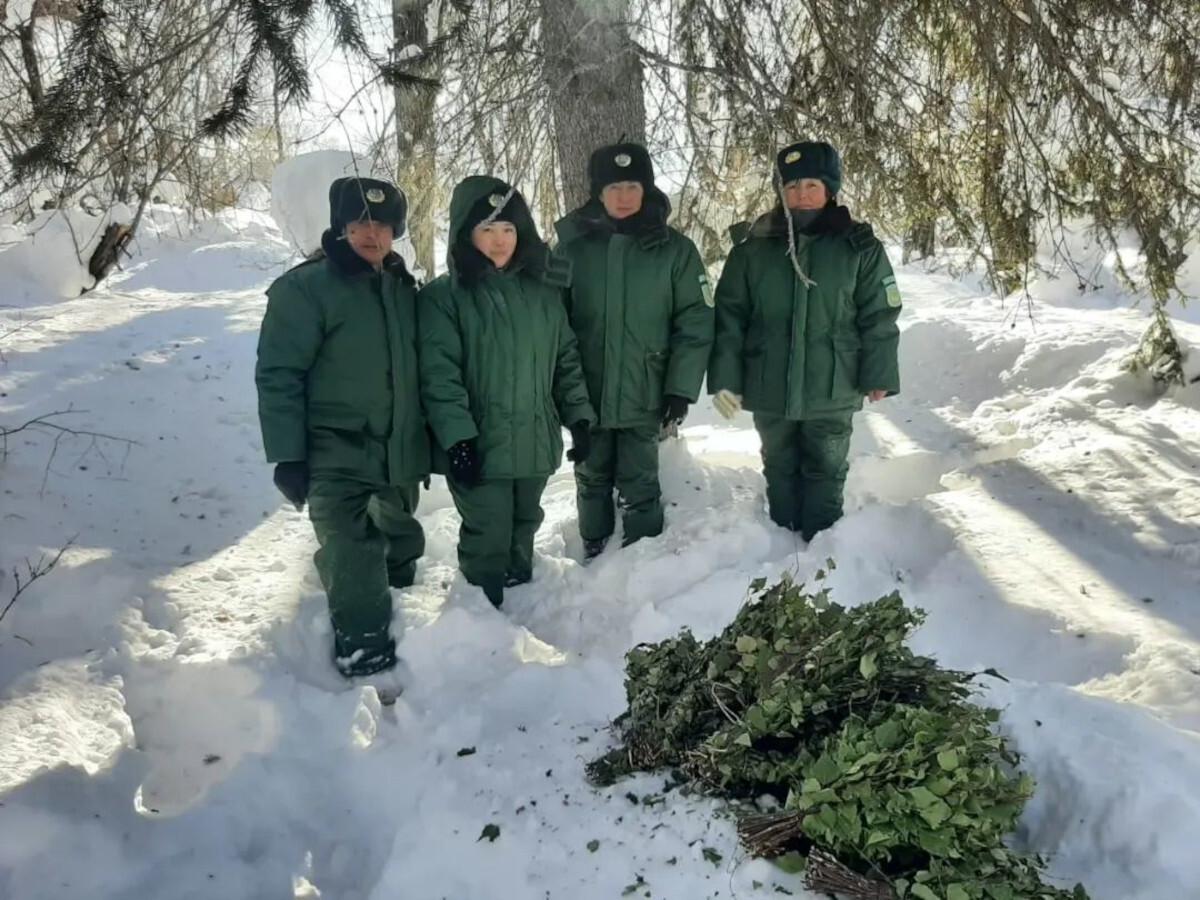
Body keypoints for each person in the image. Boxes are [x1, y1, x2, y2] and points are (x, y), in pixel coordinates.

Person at [256, 176, 429, 681]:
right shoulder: (305, 289)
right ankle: (366, 659)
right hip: (334, 450)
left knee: (400, 542)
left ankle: (405, 623)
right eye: (359, 223)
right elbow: (279, 373)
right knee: (352, 551)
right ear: (341, 227)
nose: (371, 234)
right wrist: (288, 454)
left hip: (397, 450)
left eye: (382, 224)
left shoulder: (401, 287)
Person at [707, 141, 901, 541]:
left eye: (811, 184)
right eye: (792, 186)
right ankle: (780, 545)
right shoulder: (753, 250)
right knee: (778, 464)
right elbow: (729, 319)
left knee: (825, 469)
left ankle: (821, 551)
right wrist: (726, 381)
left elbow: (879, 315)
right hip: (769, 381)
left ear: (830, 189)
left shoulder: (858, 247)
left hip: (833, 382)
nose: (801, 195)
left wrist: (879, 374)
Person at [419, 176, 595, 608]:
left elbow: (565, 359)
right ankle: (480, 612)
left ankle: (521, 598)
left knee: (524, 521)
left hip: (534, 437)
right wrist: (458, 438)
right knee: (487, 529)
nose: (500, 242)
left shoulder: (543, 291)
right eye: (487, 230)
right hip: (481, 442)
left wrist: (580, 417)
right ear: (466, 233)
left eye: (509, 230)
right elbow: (440, 375)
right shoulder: (445, 297)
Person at [554, 142, 714, 559]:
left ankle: (643, 558)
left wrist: (680, 388)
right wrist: (558, 391)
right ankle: (592, 548)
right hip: (586, 391)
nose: (623, 197)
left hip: (648, 389)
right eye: (613, 188)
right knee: (590, 475)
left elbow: (695, 322)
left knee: (641, 478)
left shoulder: (675, 251)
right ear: (597, 193)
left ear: (646, 189)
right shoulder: (571, 248)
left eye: (631, 186)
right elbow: (551, 322)